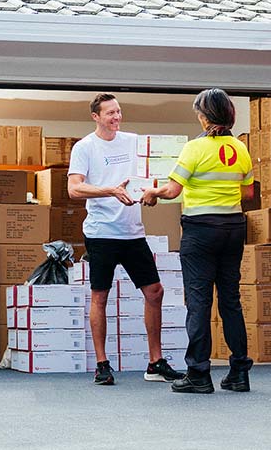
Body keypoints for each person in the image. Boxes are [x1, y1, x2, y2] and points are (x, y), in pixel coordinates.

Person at [141, 88, 255, 394]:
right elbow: (248, 193)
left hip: (201, 230)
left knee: (199, 302)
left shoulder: (194, 149)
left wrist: (152, 193)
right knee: (230, 301)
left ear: (205, 117)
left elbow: (172, 190)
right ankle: (239, 372)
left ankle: (199, 373)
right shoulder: (241, 149)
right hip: (233, 228)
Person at [68, 93, 185, 386]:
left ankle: (155, 363)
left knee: (155, 292)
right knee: (100, 296)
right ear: (96, 117)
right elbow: (74, 189)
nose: (116, 117)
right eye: (110, 113)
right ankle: (102, 365)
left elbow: (150, 177)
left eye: (118, 111)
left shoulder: (134, 141)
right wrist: (110, 190)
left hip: (132, 232)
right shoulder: (85, 147)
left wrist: (153, 194)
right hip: (101, 232)